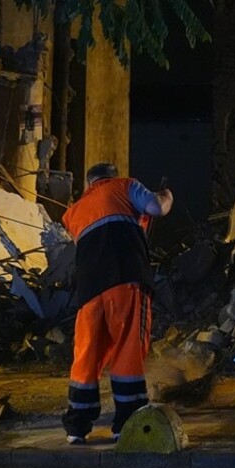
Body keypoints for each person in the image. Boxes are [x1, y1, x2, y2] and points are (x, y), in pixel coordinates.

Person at [60, 163, 172, 444]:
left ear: (89, 183)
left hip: (88, 291)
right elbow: (157, 208)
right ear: (111, 176)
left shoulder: (72, 212)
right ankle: (128, 421)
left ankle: (76, 427)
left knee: (87, 354)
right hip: (125, 279)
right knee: (127, 348)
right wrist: (166, 194)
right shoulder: (125, 185)